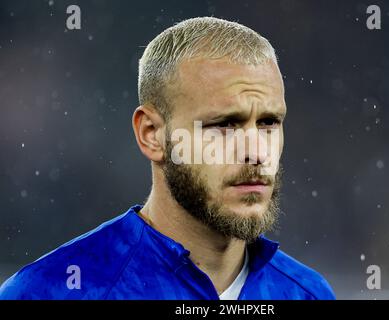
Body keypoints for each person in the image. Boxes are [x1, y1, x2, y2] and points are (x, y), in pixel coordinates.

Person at [0, 17, 335, 300]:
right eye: (224, 125)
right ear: (152, 134)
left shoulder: (308, 293)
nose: (257, 152)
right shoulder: (51, 292)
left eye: (268, 123)